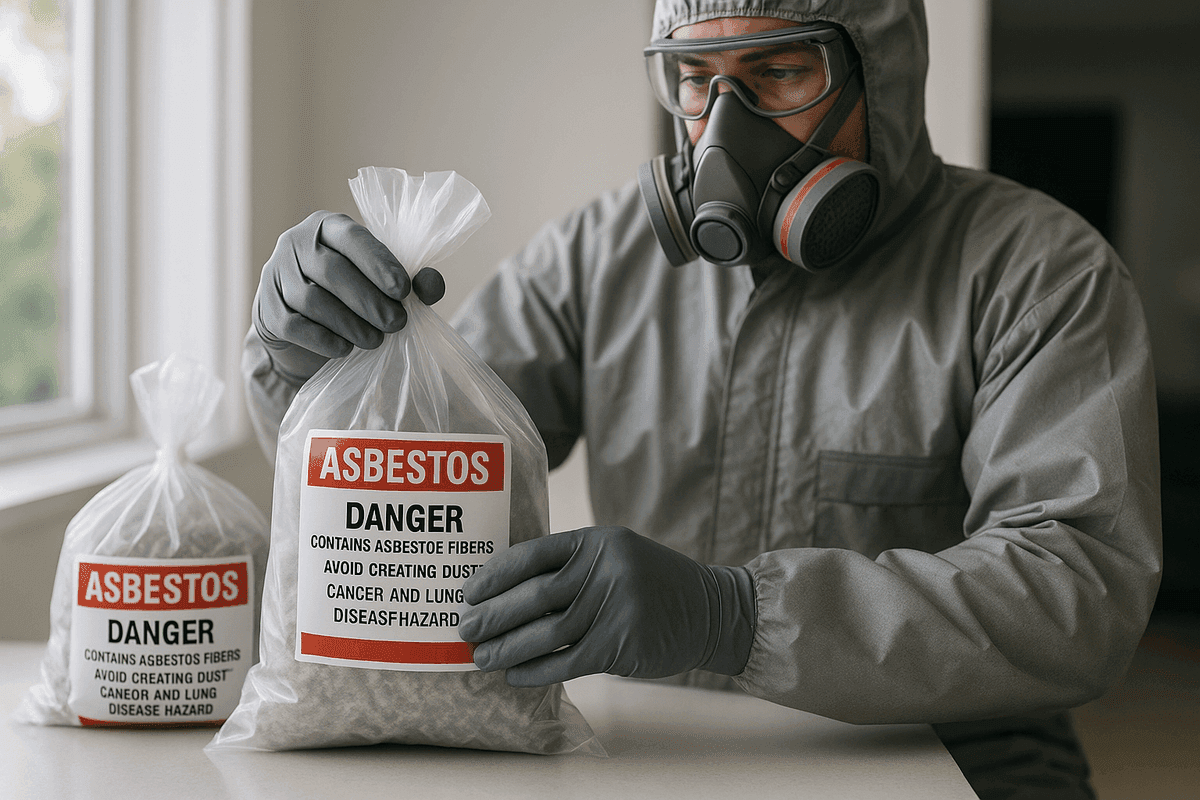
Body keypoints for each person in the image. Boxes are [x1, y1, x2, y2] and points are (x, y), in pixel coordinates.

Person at [244, 1, 1161, 797]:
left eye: (780, 70)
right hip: (663, 754)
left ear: (877, 75)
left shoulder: (1039, 273)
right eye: (696, 79)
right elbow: (412, 470)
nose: (724, 128)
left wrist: (738, 614)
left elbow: (1078, 587)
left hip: (957, 763)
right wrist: (308, 359)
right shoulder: (598, 259)